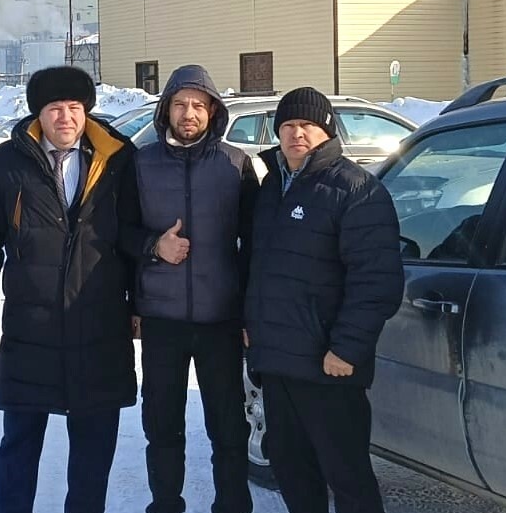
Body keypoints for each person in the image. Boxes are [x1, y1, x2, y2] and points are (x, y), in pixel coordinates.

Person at [0, 65, 144, 513]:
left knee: (93, 449)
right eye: (54, 108)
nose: (65, 117)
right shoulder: (7, 163)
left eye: (74, 107)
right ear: (38, 115)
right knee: (19, 443)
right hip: (32, 325)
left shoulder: (117, 160)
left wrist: (138, 305)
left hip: (100, 324)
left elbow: (132, 237)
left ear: (86, 111)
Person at [244, 87, 404, 513]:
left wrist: (347, 348)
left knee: (347, 476)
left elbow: (376, 280)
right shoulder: (272, 187)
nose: (297, 133)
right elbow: (260, 267)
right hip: (278, 362)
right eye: (288, 125)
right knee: (293, 471)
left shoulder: (355, 189)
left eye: (307, 125)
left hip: (328, 365)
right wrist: (252, 326)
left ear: (327, 131)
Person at [133, 64, 258, 513]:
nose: (189, 113)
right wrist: (154, 246)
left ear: (213, 112)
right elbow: (118, 233)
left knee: (228, 428)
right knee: (162, 426)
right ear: (166, 110)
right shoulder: (141, 163)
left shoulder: (236, 164)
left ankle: (232, 506)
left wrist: (249, 313)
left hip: (220, 318)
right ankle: (165, 504)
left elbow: (254, 244)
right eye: (181, 104)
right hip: (161, 318)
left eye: (199, 106)